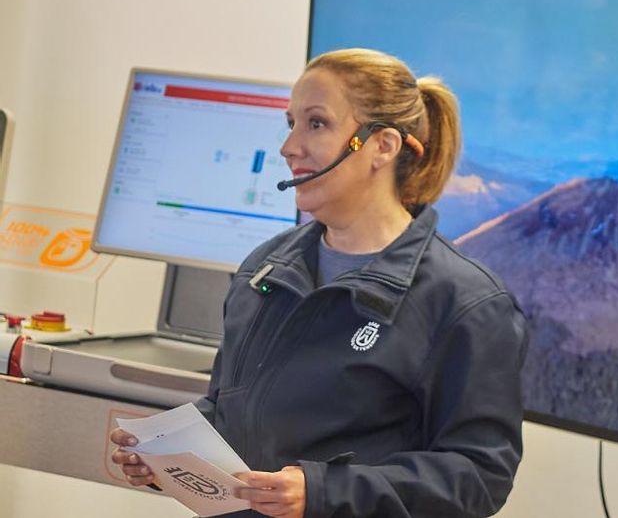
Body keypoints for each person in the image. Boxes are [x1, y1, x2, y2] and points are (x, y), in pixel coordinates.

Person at [110, 48, 529, 517]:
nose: (289, 146)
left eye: (316, 124)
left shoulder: (466, 303)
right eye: (290, 124)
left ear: (382, 146)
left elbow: (480, 476)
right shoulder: (262, 270)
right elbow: (231, 413)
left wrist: (323, 491)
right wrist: (168, 455)